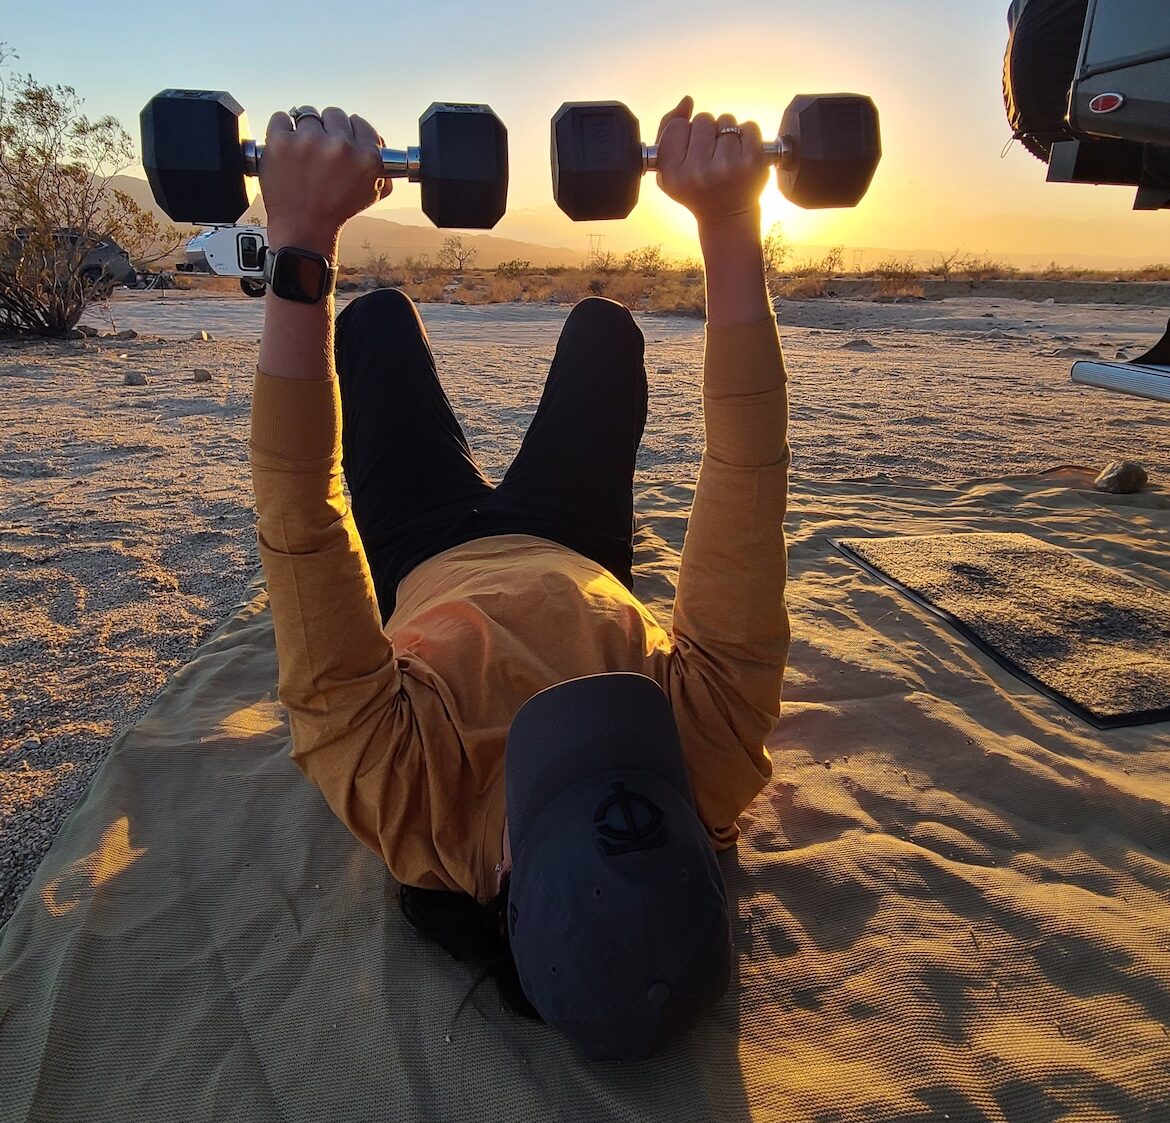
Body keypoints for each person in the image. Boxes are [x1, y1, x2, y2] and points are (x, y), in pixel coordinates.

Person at [250, 95, 790, 1060]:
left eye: (569, 766)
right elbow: (746, 471)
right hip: (579, 545)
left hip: (425, 552)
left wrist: (298, 242)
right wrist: (728, 221)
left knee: (371, 322)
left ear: (500, 875)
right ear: (703, 838)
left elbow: (301, 515)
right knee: (602, 327)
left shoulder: (405, 797)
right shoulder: (711, 759)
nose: (608, 729)